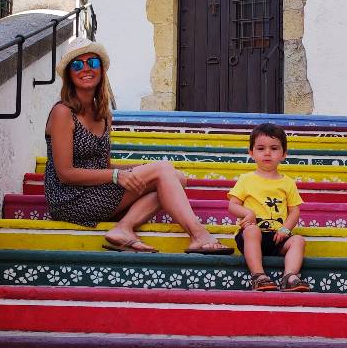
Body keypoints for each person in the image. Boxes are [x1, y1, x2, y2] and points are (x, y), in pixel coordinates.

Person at [44, 37, 233, 255]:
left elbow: (104, 165)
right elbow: (65, 174)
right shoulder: (63, 113)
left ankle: (124, 228)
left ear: (101, 70)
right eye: (77, 65)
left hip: (97, 193)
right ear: (69, 74)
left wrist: (140, 168)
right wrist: (119, 175)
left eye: (92, 62)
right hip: (70, 200)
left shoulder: (103, 115)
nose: (86, 68)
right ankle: (199, 235)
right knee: (163, 171)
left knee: (175, 177)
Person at [227, 123, 309, 292]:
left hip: (277, 238)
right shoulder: (246, 179)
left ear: (284, 154)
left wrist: (285, 230)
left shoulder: (288, 183)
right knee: (252, 230)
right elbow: (233, 205)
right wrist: (247, 213)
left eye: (274, 148)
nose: (267, 153)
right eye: (260, 148)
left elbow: (294, 211)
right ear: (251, 153)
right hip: (251, 236)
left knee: (298, 241)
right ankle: (259, 276)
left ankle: (290, 277)